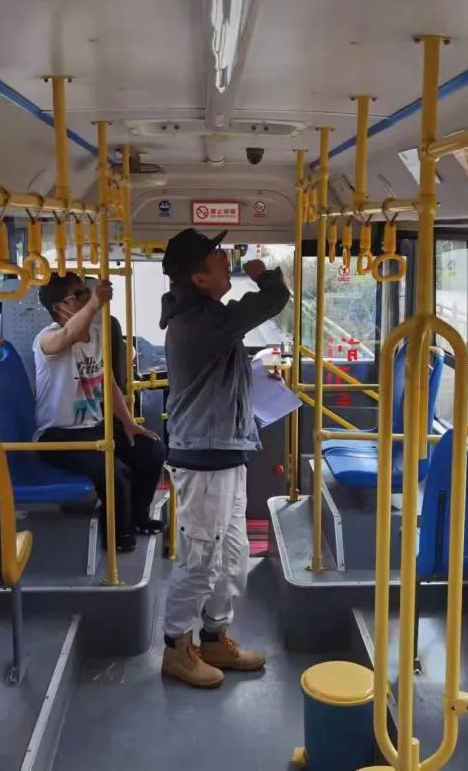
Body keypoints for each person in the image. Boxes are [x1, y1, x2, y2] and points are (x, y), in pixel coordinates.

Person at [157, 228, 290, 688]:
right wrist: (263, 275)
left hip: (227, 451)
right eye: (217, 256)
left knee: (232, 555)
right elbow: (273, 299)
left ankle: (214, 638)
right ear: (198, 279)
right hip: (204, 457)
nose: (225, 259)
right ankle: (177, 648)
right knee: (200, 558)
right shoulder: (198, 321)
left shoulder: (206, 317)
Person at [33, 273, 165, 553]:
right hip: (58, 436)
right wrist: (94, 303)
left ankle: (138, 517)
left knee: (151, 450)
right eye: (78, 296)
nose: (85, 299)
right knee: (114, 471)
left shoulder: (95, 335)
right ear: (59, 308)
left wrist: (128, 423)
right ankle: (118, 537)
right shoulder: (46, 339)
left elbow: (108, 382)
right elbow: (67, 335)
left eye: (86, 293)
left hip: (94, 428)